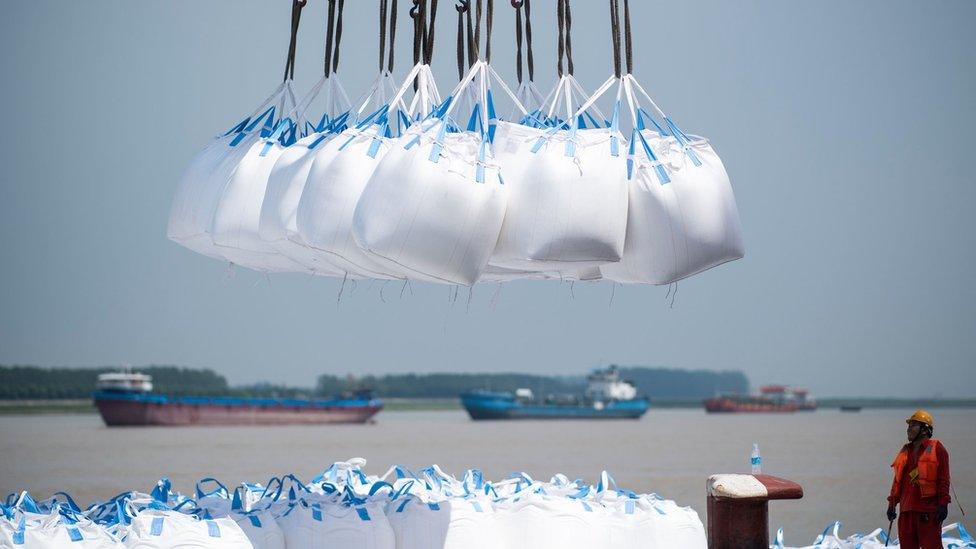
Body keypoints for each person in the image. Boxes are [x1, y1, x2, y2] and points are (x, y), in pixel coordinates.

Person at [887, 409, 951, 549]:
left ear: (924, 429)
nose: (908, 429)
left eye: (913, 426)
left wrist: (943, 504)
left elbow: (943, 480)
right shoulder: (905, 452)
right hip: (906, 513)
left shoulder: (937, 449)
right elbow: (897, 481)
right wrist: (892, 504)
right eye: (909, 426)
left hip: (927, 512)